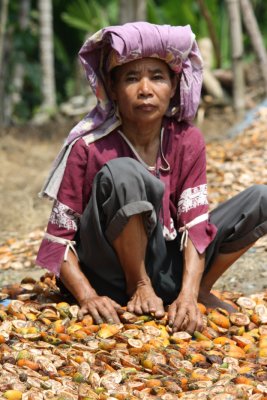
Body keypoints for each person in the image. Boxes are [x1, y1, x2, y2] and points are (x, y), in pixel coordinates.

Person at [36, 22, 267, 334]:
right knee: (124, 173)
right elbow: (58, 239)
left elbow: (194, 225)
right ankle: (139, 285)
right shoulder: (88, 148)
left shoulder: (187, 139)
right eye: (131, 78)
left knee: (259, 199)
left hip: (167, 267)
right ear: (114, 90)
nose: (145, 89)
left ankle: (196, 290)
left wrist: (186, 294)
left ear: (173, 87)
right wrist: (88, 296)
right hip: (109, 277)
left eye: (157, 77)